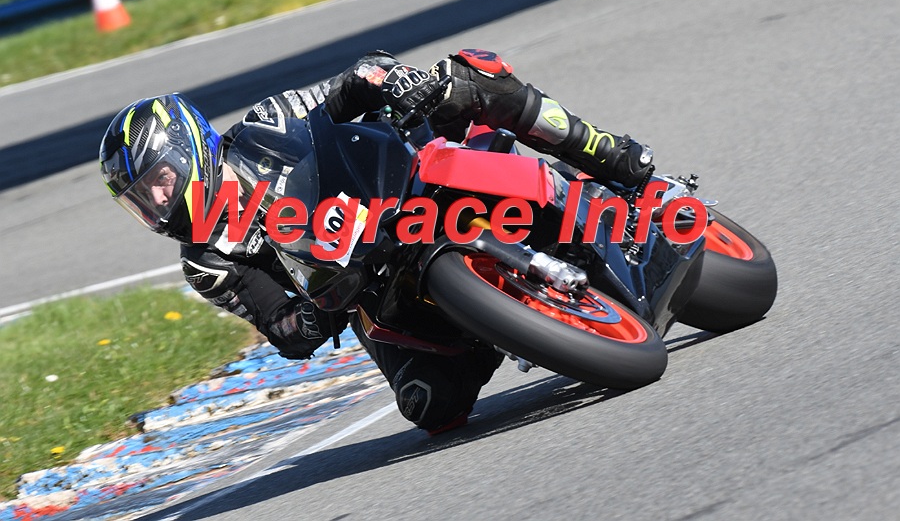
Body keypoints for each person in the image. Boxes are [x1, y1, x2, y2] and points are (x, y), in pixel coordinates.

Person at [99, 49, 653, 434]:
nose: (156, 204)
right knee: (431, 406)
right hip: (365, 284)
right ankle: (497, 321)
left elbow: (344, 89)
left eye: (158, 182)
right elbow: (280, 325)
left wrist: (385, 78)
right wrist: (310, 317)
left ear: (188, 147)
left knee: (469, 77)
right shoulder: (206, 262)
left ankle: (608, 154)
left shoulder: (267, 124)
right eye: (140, 200)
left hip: (405, 182)